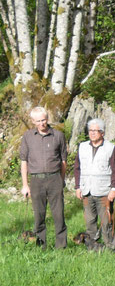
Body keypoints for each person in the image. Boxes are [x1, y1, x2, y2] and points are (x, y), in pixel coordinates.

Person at [19, 106, 68, 249]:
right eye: (39, 121)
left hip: (54, 179)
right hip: (36, 180)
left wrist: (61, 180)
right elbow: (24, 162)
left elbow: (63, 161)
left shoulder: (58, 135)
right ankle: (41, 246)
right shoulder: (28, 137)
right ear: (33, 121)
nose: (42, 123)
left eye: (44, 119)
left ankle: (61, 247)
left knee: (58, 214)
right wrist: (25, 185)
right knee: (39, 215)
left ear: (47, 119)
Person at [75, 118, 115, 250]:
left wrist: (114, 189)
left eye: (96, 131)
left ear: (102, 132)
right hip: (86, 191)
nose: (92, 133)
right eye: (90, 130)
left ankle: (110, 247)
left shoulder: (110, 148)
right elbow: (77, 168)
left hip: (104, 192)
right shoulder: (82, 147)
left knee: (106, 222)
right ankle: (92, 246)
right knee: (90, 222)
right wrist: (78, 187)